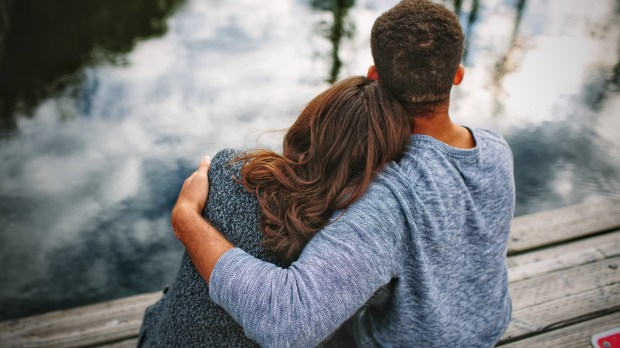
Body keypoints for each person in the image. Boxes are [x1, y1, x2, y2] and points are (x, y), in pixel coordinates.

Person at [172, 0, 515, 346]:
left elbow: (288, 324)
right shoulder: (496, 149)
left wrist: (187, 220)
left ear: (374, 77)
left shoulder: (389, 199)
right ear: (457, 75)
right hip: (486, 330)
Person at [138, 76, 413, 346]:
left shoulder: (228, 174)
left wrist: (186, 212)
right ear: (379, 167)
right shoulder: (352, 246)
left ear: (308, 126)